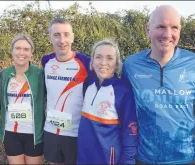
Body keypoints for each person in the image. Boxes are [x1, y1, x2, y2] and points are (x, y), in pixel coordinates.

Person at [122, 5, 195, 164]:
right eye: (161, 26)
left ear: (180, 31)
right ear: (148, 29)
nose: (167, 34)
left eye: (174, 27)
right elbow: (124, 109)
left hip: (186, 159)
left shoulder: (192, 63)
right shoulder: (131, 64)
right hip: (144, 158)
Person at [77, 39, 137, 164]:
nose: (103, 62)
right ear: (92, 61)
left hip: (108, 159)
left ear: (116, 64)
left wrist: (127, 161)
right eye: (98, 57)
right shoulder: (88, 83)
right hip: (84, 157)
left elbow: (130, 131)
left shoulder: (123, 91)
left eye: (109, 58)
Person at [41, 18, 90, 164]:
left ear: (73, 37)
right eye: (56, 35)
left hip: (75, 133)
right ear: (50, 38)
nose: (62, 40)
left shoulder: (86, 62)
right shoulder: (46, 61)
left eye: (66, 34)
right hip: (51, 131)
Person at [0, 34, 45, 164]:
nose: (21, 52)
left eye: (26, 49)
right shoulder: (4, 74)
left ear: (31, 53)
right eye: (18, 48)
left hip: (33, 134)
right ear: (12, 51)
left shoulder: (40, 74)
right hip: (11, 132)